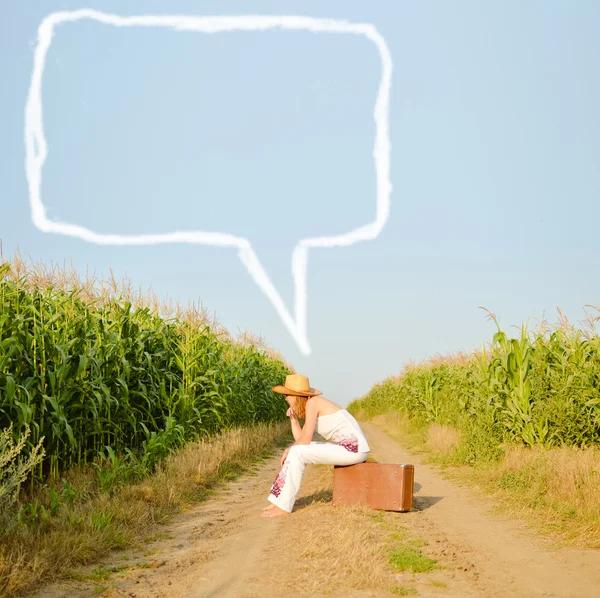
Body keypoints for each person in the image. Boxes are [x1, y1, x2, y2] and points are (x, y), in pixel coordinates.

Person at [260, 373, 370, 518]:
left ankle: (283, 507)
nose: (285, 398)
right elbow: (301, 439)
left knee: (296, 452)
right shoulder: (310, 405)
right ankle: (277, 501)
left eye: (287, 394)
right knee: (296, 451)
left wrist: (289, 449)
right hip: (346, 447)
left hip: (354, 449)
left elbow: (303, 441)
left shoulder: (313, 403)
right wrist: (293, 419)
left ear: (295, 395)